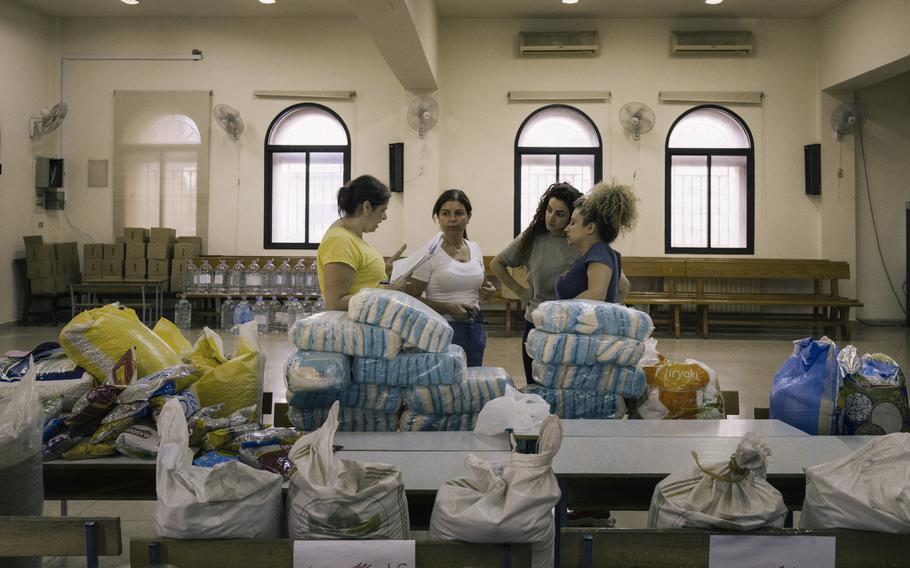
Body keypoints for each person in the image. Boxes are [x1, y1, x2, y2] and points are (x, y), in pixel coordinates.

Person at [491, 182, 583, 384]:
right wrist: (519, 291)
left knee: (565, 389)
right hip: (536, 324)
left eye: (560, 214)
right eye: (549, 210)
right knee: (535, 386)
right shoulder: (533, 237)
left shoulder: (580, 241)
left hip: (569, 327)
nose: (551, 217)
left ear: (572, 217)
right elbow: (497, 263)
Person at [406, 190, 495, 366]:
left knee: (472, 382)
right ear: (438, 218)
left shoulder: (475, 248)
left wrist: (488, 291)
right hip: (442, 330)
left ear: (468, 217)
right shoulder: (429, 254)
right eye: (446, 214)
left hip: (475, 328)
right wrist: (447, 307)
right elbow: (412, 298)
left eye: (459, 213)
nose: (452, 219)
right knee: (447, 386)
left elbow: (482, 285)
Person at [317, 175, 406, 311]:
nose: (385, 217)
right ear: (367, 207)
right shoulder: (340, 241)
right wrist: (386, 293)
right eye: (383, 210)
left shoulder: (351, 236)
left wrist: (384, 269)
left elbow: (360, 282)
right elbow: (335, 303)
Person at [557, 182, 638, 303]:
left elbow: (596, 295)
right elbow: (623, 286)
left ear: (590, 228)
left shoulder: (600, 250)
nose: (566, 229)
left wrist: (558, 309)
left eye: (573, 223)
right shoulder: (593, 254)